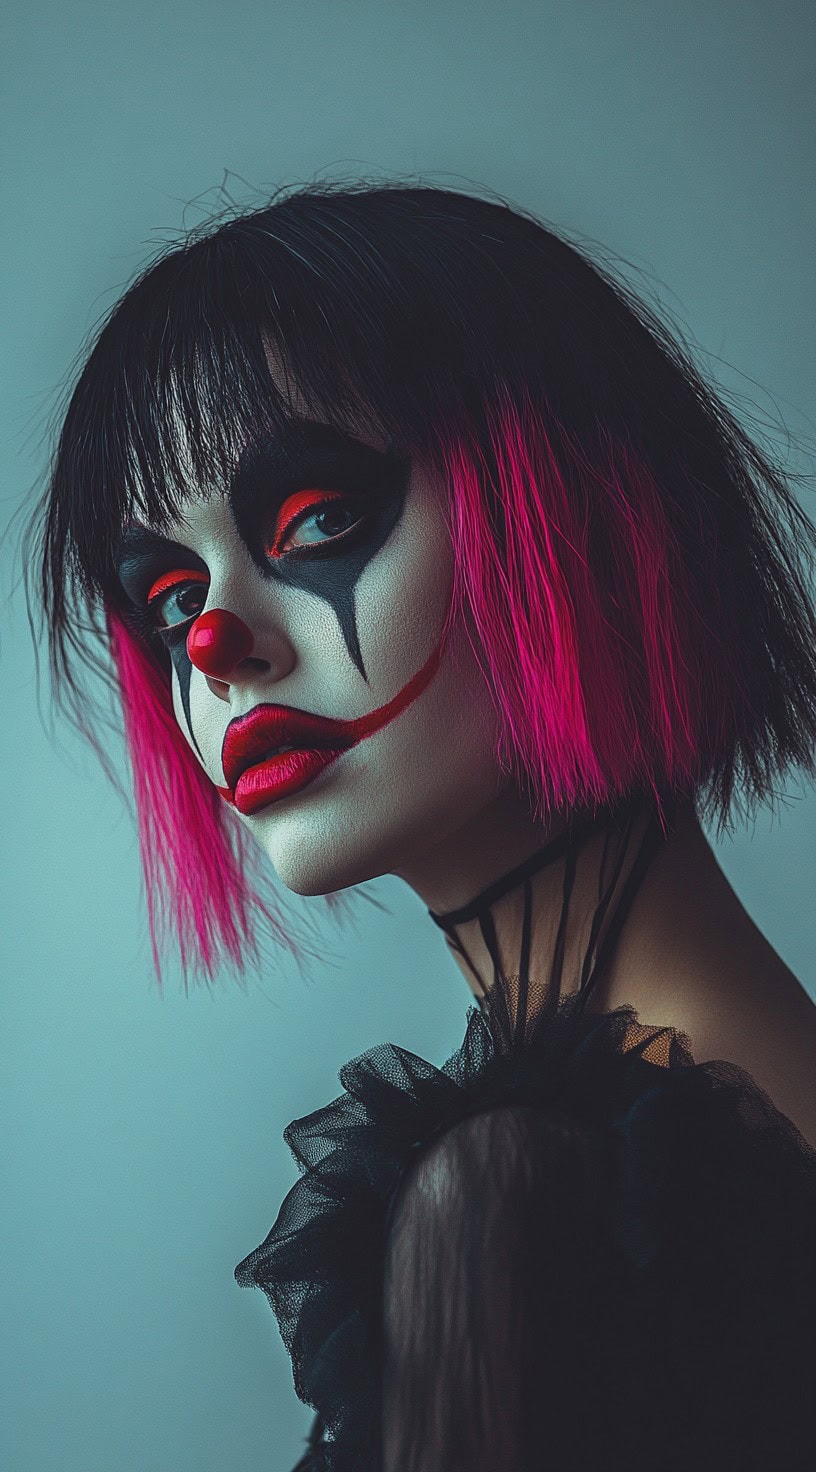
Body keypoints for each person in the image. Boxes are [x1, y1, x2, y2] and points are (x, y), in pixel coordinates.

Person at [27, 182, 816, 1469]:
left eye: (319, 520)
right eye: (168, 598)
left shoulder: (518, 1203)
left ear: (586, 503)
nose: (220, 649)